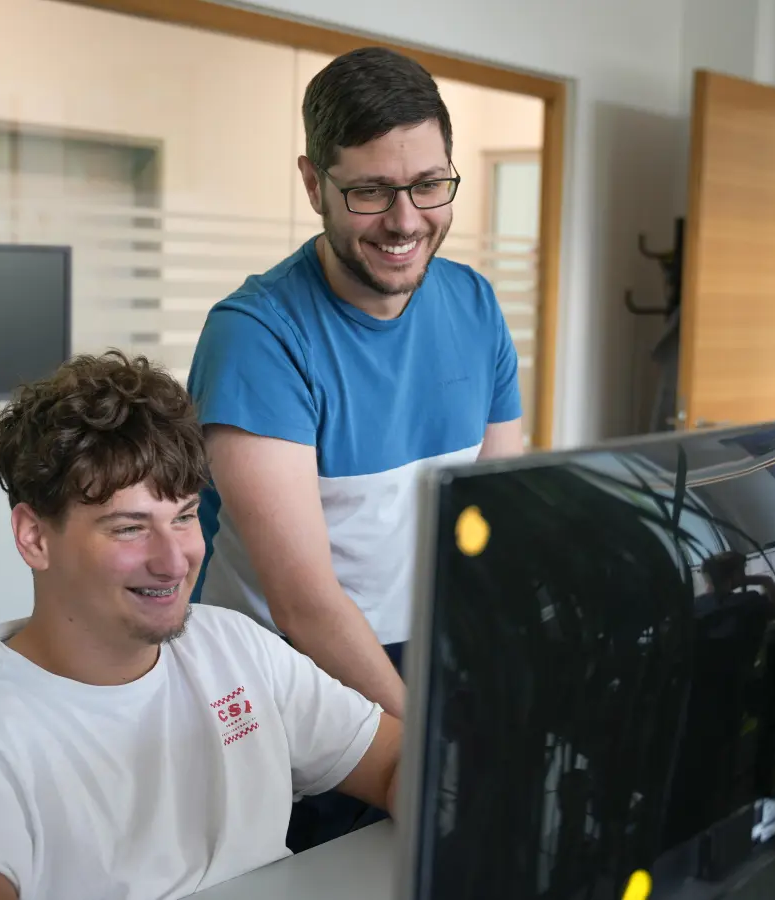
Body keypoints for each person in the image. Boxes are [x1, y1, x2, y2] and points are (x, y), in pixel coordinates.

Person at [0, 351, 403, 900]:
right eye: (130, 528)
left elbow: (396, 761)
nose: (174, 562)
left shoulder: (237, 646)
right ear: (34, 537)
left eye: (182, 518)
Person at [185, 46, 523, 846]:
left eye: (429, 185)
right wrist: (439, 728)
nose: (406, 221)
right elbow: (306, 604)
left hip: (423, 658)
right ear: (315, 185)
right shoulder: (258, 338)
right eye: (370, 191)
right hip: (285, 685)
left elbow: (502, 527)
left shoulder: (474, 307)